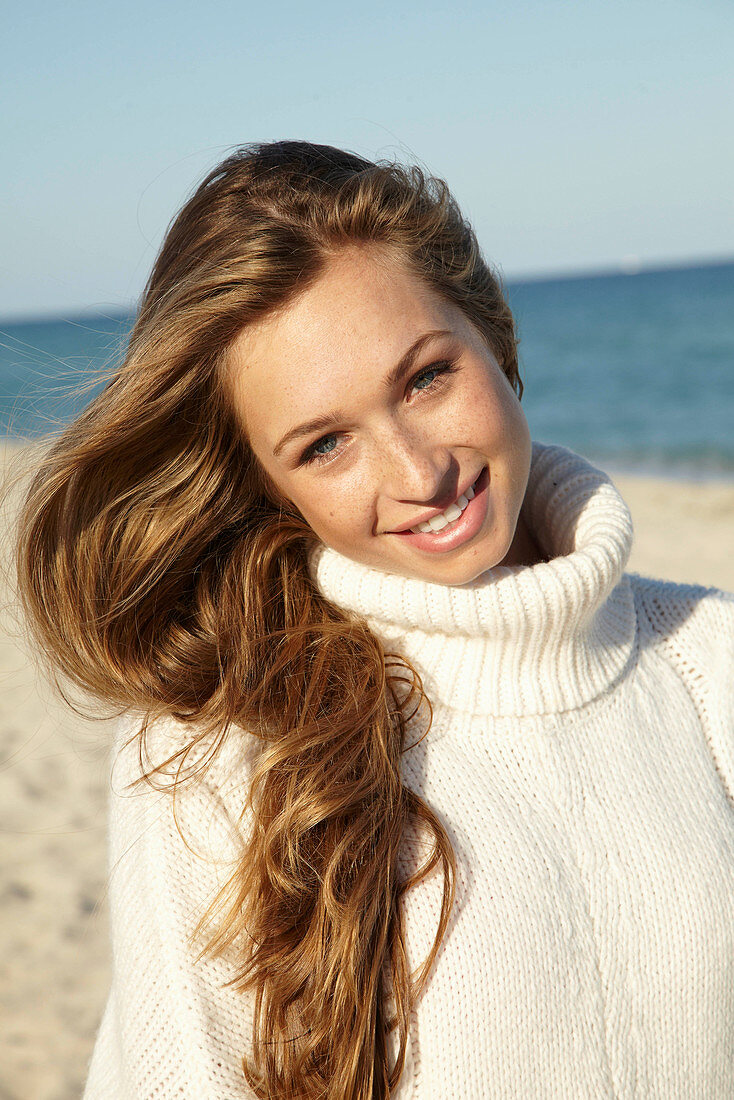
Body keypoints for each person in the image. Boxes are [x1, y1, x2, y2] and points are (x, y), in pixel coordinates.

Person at [15, 140, 734, 1100]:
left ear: (496, 339)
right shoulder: (214, 749)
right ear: (269, 486)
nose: (417, 472)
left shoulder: (710, 663)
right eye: (324, 445)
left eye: (426, 378)